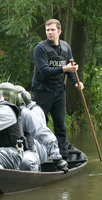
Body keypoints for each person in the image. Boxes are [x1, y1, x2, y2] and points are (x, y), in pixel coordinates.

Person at [32, 18, 84, 158]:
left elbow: (71, 69)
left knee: (60, 125)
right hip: (42, 91)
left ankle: (64, 156)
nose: (50, 33)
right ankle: (39, 155)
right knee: (40, 125)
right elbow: (44, 71)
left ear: (59, 31)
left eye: (52, 30)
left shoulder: (66, 47)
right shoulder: (40, 48)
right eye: (47, 30)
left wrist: (76, 83)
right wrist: (63, 68)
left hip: (59, 90)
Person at [15, 85, 68, 172]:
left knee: (28, 152)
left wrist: (56, 157)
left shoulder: (34, 111)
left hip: (38, 147)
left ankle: (35, 167)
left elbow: (42, 134)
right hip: (22, 147)